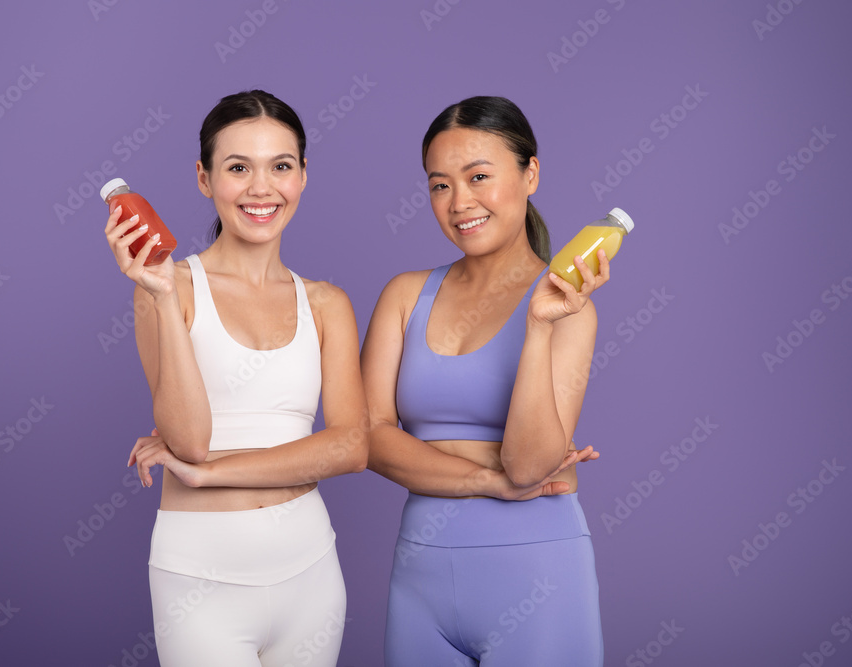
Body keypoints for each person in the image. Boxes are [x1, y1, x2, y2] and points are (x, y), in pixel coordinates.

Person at [104, 90, 368, 667]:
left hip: (312, 573)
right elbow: (189, 440)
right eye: (238, 167)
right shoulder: (166, 285)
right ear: (204, 178)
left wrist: (210, 475)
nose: (260, 188)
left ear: (302, 176)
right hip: (200, 578)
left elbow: (351, 446)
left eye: (281, 166)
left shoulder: (327, 302)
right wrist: (161, 297)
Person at [361, 96, 606, 665]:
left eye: (478, 177)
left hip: (537, 575)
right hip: (420, 576)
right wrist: (488, 480)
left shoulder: (570, 307)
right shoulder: (405, 296)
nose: (459, 202)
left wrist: (539, 328)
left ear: (531, 174)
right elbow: (367, 438)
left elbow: (528, 464)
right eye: (439, 185)